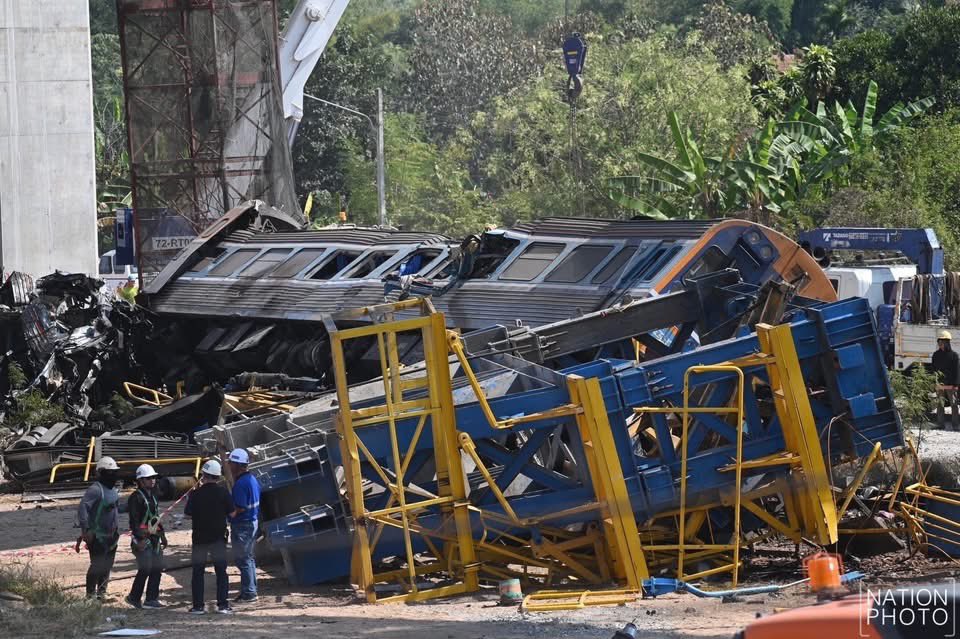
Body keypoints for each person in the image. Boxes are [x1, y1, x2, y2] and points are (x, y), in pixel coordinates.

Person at [186, 460, 236, 615]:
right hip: (218, 538)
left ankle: (198, 606)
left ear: (203, 475)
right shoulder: (223, 492)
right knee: (221, 571)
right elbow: (232, 513)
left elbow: (187, 514)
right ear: (217, 476)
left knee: (198, 572)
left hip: (200, 538)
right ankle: (223, 605)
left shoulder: (195, 493)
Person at [77, 456, 121, 600]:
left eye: (114, 472)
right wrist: (86, 530)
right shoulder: (95, 490)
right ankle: (90, 596)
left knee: (107, 566)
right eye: (110, 472)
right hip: (98, 537)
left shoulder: (113, 490)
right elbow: (83, 508)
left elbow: (117, 509)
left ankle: (102, 594)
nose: (113, 475)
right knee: (97, 566)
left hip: (112, 536)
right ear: (101, 473)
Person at [125, 464, 167, 609]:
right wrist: (141, 538)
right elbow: (134, 522)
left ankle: (151, 599)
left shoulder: (153, 496)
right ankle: (134, 597)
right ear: (141, 481)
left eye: (153, 478)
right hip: (142, 539)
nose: (153, 480)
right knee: (146, 568)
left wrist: (163, 535)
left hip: (154, 538)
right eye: (149, 478)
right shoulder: (135, 498)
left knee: (157, 567)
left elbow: (155, 518)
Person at [227, 448, 260, 603]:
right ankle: (251, 590)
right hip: (251, 522)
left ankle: (249, 593)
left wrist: (230, 514)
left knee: (243, 559)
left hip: (243, 525)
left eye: (231, 462)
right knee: (249, 558)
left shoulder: (240, 484)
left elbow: (240, 506)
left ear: (237, 465)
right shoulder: (252, 480)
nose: (228, 465)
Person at [933, 330, 960, 431]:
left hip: (951, 386)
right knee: (940, 405)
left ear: (947, 343)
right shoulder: (936, 355)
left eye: (942, 342)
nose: (940, 344)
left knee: (954, 405)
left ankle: (955, 425)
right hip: (940, 385)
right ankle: (940, 424)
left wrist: (956, 385)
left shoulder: (954, 356)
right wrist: (935, 383)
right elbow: (934, 370)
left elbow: (957, 371)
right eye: (939, 342)